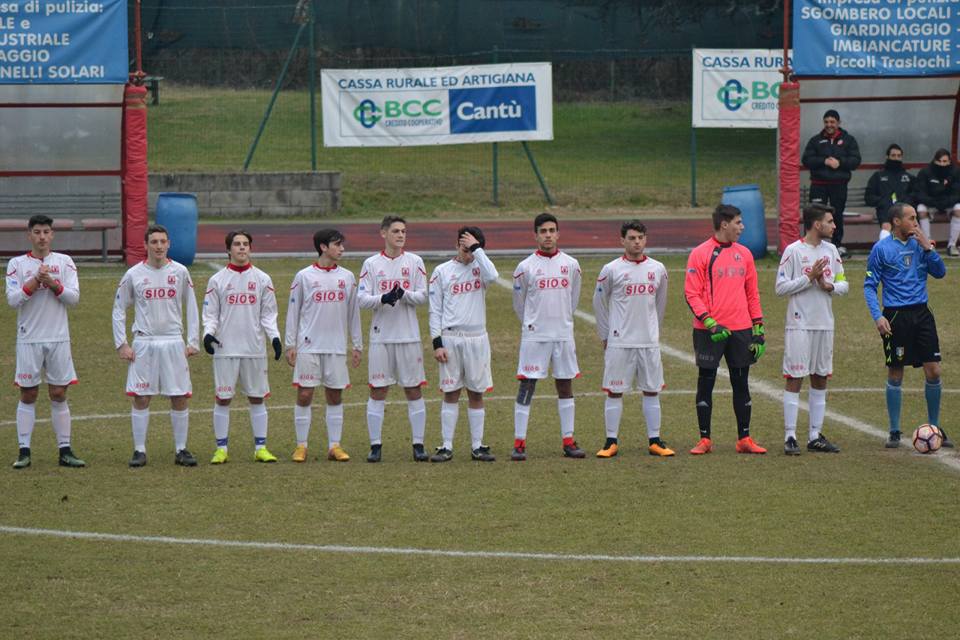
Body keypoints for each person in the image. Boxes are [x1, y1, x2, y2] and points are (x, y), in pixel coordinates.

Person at [863, 203, 952, 449]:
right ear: (896, 222)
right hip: (895, 317)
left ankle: (934, 427)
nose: (916, 222)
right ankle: (894, 430)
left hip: (922, 314)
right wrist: (877, 317)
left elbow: (941, 273)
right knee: (896, 371)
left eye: (916, 218)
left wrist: (928, 249)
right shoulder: (881, 249)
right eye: (911, 218)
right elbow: (870, 286)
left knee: (933, 371)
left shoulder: (922, 245)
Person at [112, 224, 200, 467]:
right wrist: (121, 343)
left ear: (169, 244)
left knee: (180, 395)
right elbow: (119, 309)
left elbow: (191, 306)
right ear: (145, 245)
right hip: (145, 342)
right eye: (154, 242)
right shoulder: (133, 274)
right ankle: (139, 450)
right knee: (141, 397)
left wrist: (193, 341)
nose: (159, 246)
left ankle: (181, 449)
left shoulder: (180, 272)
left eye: (163, 242)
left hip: (173, 341)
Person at [684, 204, 766, 455]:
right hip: (710, 330)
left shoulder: (746, 254)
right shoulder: (700, 253)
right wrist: (709, 322)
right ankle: (705, 439)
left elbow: (752, 293)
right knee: (705, 382)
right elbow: (691, 293)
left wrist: (758, 328)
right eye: (738, 223)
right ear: (724, 225)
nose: (742, 227)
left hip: (741, 330)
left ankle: (744, 438)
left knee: (741, 383)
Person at [5, 215, 85, 469]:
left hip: (58, 338)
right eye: (37, 232)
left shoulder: (64, 262)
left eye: (46, 232)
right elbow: (13, 300)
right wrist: (35, 281)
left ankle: (65, 450)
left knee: (59, 393)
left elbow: (73, 298)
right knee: (28, 393)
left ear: (52, 235)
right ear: (29, 235)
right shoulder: (16, 264)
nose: (42, 236)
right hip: (29, 338)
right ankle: (24, 451)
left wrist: (52, 283)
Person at [593, 220, 674, 458]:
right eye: (631, 238)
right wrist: (605, 334)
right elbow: (599, 303)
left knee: (651, 390)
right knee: (614, 391)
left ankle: (655, 440)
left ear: (645, 239)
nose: (636, 241)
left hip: (648, 341)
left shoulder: (658, 269)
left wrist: (653, 331)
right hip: (620, 341)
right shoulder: (611, 269)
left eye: (640, 237)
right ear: (622, 241)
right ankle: (610, 441)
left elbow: (660, 303)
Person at [202, 230, 282, 464]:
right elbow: (210, 314)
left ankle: (261, 448)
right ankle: (221, 449)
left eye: (245, 244)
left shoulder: (263, 279)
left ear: (250, 248)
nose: (241, 248)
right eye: (237, 244)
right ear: (228, 250)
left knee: (257, 398)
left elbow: (269, 315)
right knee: (223, 398)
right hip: (225, 349)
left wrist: (274, 338)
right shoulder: (217, 281)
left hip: (254, 349)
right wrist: (208, 334)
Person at [511, 212, 585, 460]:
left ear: (558, 233)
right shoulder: (525, 268)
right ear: (535, 235)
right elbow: (519, 305)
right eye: (543, 231)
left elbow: (572, 300)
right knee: (527, 384)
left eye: (552, 230)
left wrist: (562, 320)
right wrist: (533, 324)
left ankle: (568, 440)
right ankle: (519, 442)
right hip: (535, 336)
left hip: (563, 334)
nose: (548, 235)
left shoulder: (572, 265)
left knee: (565, 384)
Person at [775, 204, 848, 455]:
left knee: (819, 377)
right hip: (799, 325)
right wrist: (808, 279)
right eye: (830, 221)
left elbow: (843, 283)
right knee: (795, 377)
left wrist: (829, 286)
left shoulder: (832, 251)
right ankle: (790, 436)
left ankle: (815, 435)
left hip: (824, 324)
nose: (834, 225)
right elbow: (780, 287)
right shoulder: (793, 252)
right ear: (817, 224)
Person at [285, 229, 362, 463]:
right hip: (309, 346)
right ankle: (301, 446)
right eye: (337, 245)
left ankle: (334, 446)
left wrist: (357, 344)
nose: (342, 249)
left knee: (335, 395)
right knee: (305, 393)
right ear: (323, 247)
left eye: (342, 245)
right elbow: (293, 311)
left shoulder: (347, 277)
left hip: (336, 346)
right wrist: (291, 344)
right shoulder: (304, 276)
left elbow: (354, 313)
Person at [357, 216, 428, 462]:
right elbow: (362, 299)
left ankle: (418, 444)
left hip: (408, 336)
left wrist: (404, 294)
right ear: (383, 233)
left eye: (404, 231)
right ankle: (375, 445)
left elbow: (423, 296)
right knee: (378, 389)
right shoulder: (371, 264)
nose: (400, 235)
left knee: (413, 389)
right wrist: (383, 299)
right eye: (396, 231)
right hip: (381, 338)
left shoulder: (415, 261)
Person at [426, 226, 498, 462]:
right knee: (451, 391)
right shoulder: (442, 271)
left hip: (477, 338)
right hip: (451, 338)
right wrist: (437, 343)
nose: (468, 254)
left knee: (476, 393)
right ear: (457, 245)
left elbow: (494, 276)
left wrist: (478, 249)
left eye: (473, 250)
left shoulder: (481, 267)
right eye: (465, 249)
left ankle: (478, 445)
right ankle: (446, 446)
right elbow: (434, 310)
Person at [802, 109, 861, 256]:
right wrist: (824, 161)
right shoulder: (815, 140)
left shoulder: (848, 140)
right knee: (815, 214)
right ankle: (810, 244)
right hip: (818, 184)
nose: (829, 125)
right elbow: (806, 160)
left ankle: (836, 245)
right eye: (827, 122)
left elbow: (856, 160)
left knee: (836, 215)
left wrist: (839, 163)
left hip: (839, 184)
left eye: (832, 122)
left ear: (838, 123)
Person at [913, 148, 960, 256]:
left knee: (959, 208)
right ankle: (928, 244)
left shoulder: (956, 172)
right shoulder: (925, 172)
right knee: (920, 208)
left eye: (945, 162)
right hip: (931, 204)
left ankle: (952, 245)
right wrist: (934, 202)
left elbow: (958, 194)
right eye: (939, 161)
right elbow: (919, 193)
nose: (942, 164)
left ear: (949, 162)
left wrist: (946, 202)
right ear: (934, 161)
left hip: (949, 205)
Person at [864, 144, 914, 241]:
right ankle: (885, 251)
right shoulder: (878, 176)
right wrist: (882, 201)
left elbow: (916, 195)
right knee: (887, 225)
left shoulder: (908, 177)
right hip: (885, 209)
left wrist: (907, 201)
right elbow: (869, 197)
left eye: (899, 156)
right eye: (893, 155)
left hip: (904, 209)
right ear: (888, 157)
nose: (896, 158)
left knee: (908, 224)